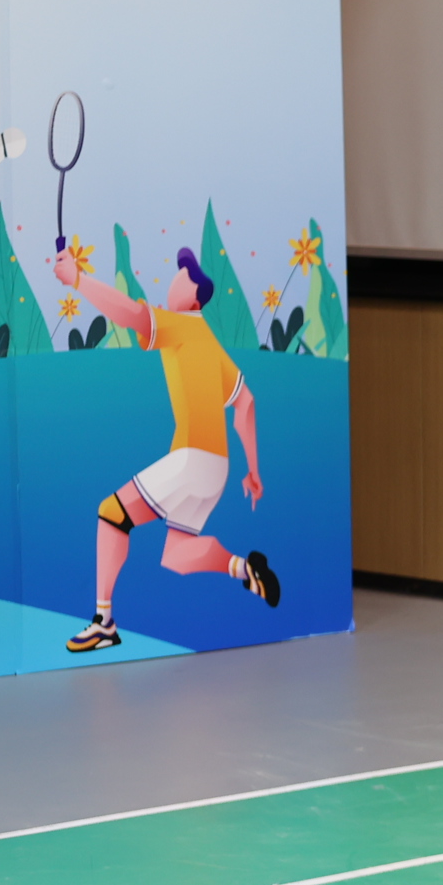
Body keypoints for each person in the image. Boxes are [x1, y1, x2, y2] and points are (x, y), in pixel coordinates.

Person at [50, 242, 279, 652]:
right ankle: (245, 569)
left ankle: (103, 622)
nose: (174, 279)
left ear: (194, 298)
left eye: (182, 274)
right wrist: (254, 470)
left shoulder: (181, 324)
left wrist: (78, 280)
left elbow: (131, 314)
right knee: (177, 553)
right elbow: (246, 402)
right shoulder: (208, 340)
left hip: (192, 460)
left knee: (112, 513)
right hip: (217, 469)